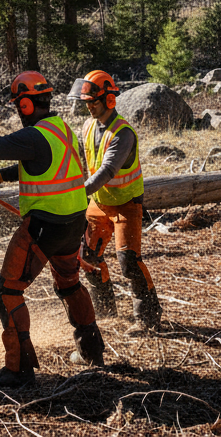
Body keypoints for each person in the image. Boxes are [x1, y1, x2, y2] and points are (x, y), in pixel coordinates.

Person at [0, 70, 105, 388]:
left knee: (7, 291)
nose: (20, 111)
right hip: (72, 222)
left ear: (26, 106)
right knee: (70, 285)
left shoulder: (32, 136)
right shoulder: (59, 129)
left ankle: (18, 371)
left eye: (20, 105)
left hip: (44, 226)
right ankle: (93, 353)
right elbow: (38, 164)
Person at [68, 70, 161, 339]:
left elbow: (107, 170)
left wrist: (79, 192)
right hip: (99, 203)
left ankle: (148, 318)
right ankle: (105, 311)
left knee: (128, 262)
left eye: (93, 101)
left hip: (125, 206)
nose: (89, 106)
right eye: (86, 101)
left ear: (109, 99)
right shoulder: (87, 127)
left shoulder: (123, 133)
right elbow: (84, 163)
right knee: (88, 257)